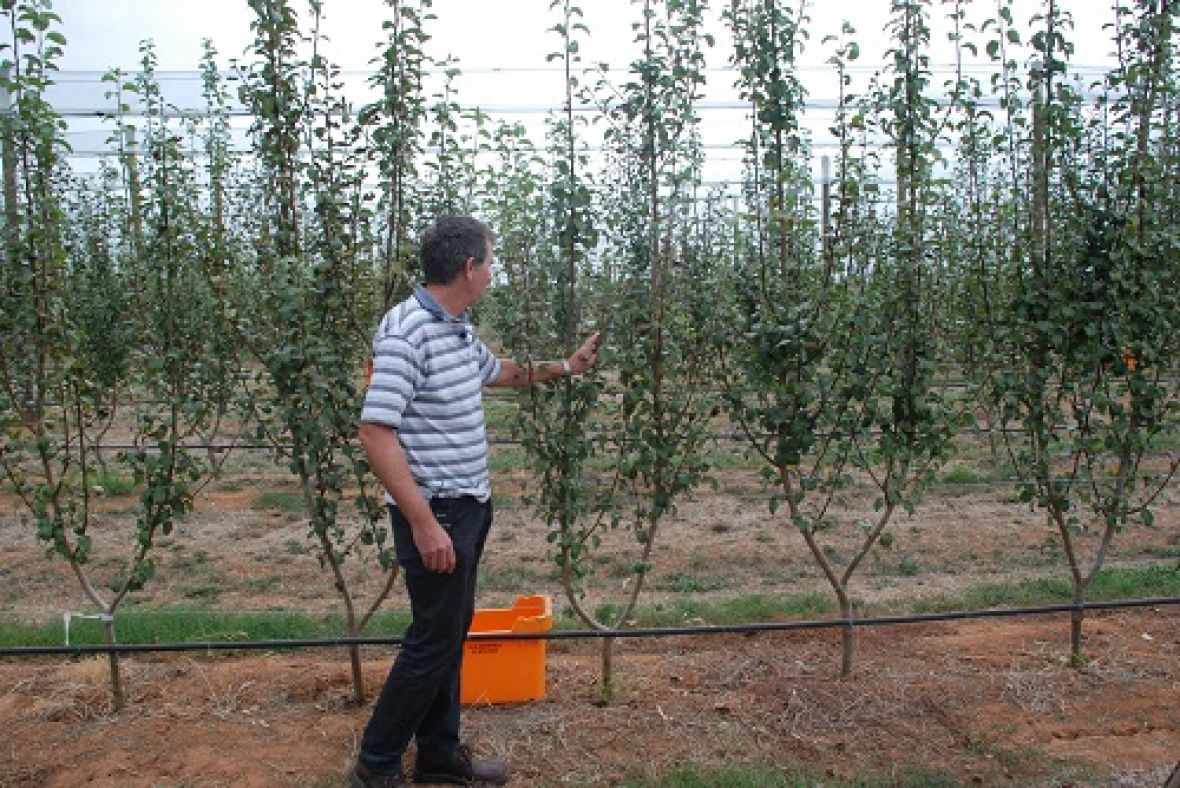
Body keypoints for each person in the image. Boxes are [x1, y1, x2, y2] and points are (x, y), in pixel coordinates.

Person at [350, 215, 599, 787]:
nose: (492, 272)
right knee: (431, 640)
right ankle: (376, 763)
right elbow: (375, 431)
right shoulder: (407, 332)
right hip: (435, 512)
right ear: (468, 268)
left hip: (466, 507)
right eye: (490, 261)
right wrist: (424, 524)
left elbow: (498, 373)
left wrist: (565, 366)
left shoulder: (455, 327)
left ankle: (439, 755)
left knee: (447, 634)